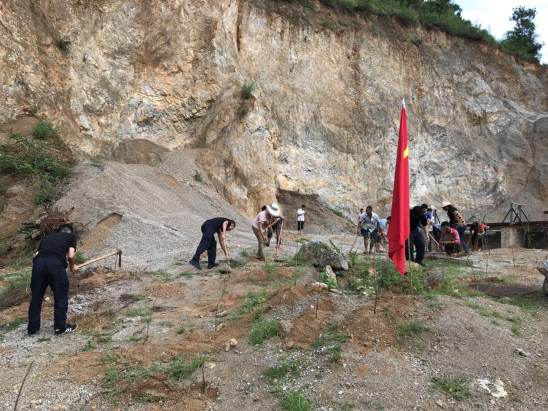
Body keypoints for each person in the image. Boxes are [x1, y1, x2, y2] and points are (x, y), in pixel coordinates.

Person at [28, 224, 79, 336]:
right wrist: (72, 266)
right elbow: (71, 255)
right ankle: (60, 327)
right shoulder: (71, 236)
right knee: (60, 295)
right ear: (69, 232)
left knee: (36, 297)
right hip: (55, 264)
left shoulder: (47, 237)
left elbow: (35, 255)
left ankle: (32, 328)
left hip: (38, 263)